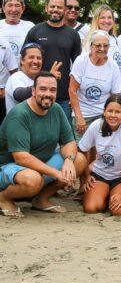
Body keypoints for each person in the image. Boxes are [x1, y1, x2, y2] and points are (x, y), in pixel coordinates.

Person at [0, 72, 87, 217]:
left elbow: (68, 142)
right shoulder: (19, 114)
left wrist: (69, 160)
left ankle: (40, 199)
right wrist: (57, 173)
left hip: (39, 165)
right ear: (33, 91)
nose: (48, 94)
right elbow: (21, 157)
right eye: (43, 89)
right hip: (9, 168)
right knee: (34, 180)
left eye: (52, 90)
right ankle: (3, 198)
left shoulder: (56, 109)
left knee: (79, 160)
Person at [24, 0, 82, 120]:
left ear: (65, 10)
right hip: (38, 94)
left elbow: (79, 68)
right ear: (46, 8)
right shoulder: (35, 31)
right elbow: (24, 61)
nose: (55, 10)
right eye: (52, 6)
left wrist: (74, 96)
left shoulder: (73, 35)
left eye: (59, 7)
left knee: (63, 136)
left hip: (63, 97)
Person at [79, 94, 121, 215]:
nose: (113, 115)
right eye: (110, 111)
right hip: (101, 173)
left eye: (118, 112)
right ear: (104, 112)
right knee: (91, 208)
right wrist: (86, 175)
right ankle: (106, 195)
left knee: (118, 211)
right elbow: (83, 150)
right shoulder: (96, 125)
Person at [69, 30, 121, 142]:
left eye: (106, 46)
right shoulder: (81, 61)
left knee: (100, 151)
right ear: (91, 46)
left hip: (103, 115)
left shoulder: (112, 65)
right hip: (83, 114)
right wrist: (79, 117)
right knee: (82, 151)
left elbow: (116, 95)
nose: (102, 49)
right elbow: (72, 90)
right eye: (98, 45)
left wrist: (110, 117)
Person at [5, 43, 60, 113]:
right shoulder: (16, 77)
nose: (35, 61)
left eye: (39, 58)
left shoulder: (38, 78)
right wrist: (46, 82)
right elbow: (20, 95)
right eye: (31, 57)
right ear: (22, 60)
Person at [83, 4, 121, 79]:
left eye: (109, 18)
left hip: (117, 87)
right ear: (96, 20)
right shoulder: (91, 39)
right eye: (102, 18)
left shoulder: (115, 39)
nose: (107, 21)